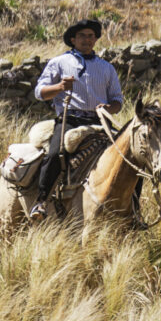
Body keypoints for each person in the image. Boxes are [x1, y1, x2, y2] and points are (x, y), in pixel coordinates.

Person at [29, 19, 123, 220]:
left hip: (100, 122)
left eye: (91, 36)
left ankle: (134, 209)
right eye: (82, 36)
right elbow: (40, 92)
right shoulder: (59, 63)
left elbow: (117, 100)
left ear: (96, 39)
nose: (87, 40)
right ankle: (41, 201)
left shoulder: (107, 68)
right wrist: (60, 88)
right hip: (70, 120)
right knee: (55, 153)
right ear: (73, 39)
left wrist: (109, 107)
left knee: (127, 155)